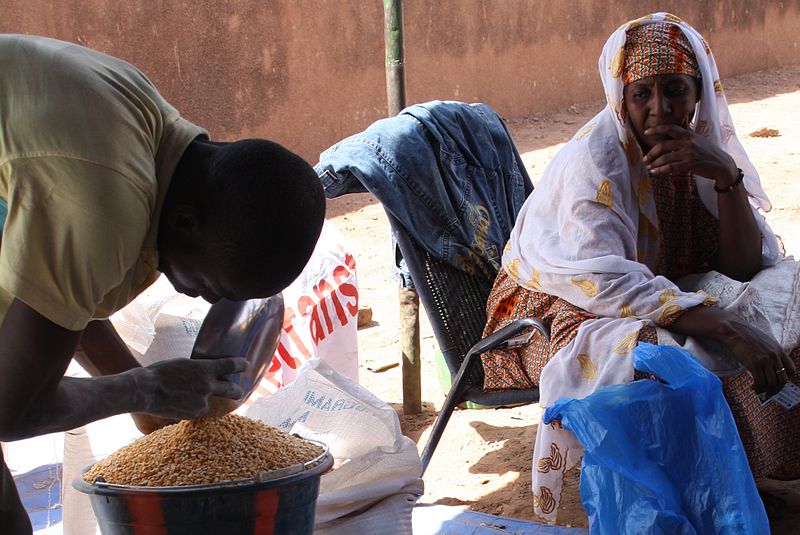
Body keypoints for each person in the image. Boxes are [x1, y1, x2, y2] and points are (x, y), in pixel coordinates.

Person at [480, 13, 800, 523]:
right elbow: (604, 282)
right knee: (669, 357)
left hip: (657, 290)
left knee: (786, 301)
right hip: (553, 314)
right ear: (619, 97)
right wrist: (730, 326)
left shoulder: (700, 153)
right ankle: (694, 493)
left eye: (675, 89)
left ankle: (739, 478)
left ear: (700, 93)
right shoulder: (596, 163)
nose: (659, 110)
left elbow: (744, 267)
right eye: (641, 94)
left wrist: (725, 175)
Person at [0, 34, 325, 533]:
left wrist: (149, 409)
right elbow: (12, 408)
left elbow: (65, 300)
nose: (206, 298)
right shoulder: (103, 200)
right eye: (214, 285)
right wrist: (142, 389)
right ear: (188, 222)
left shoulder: (148, 130)